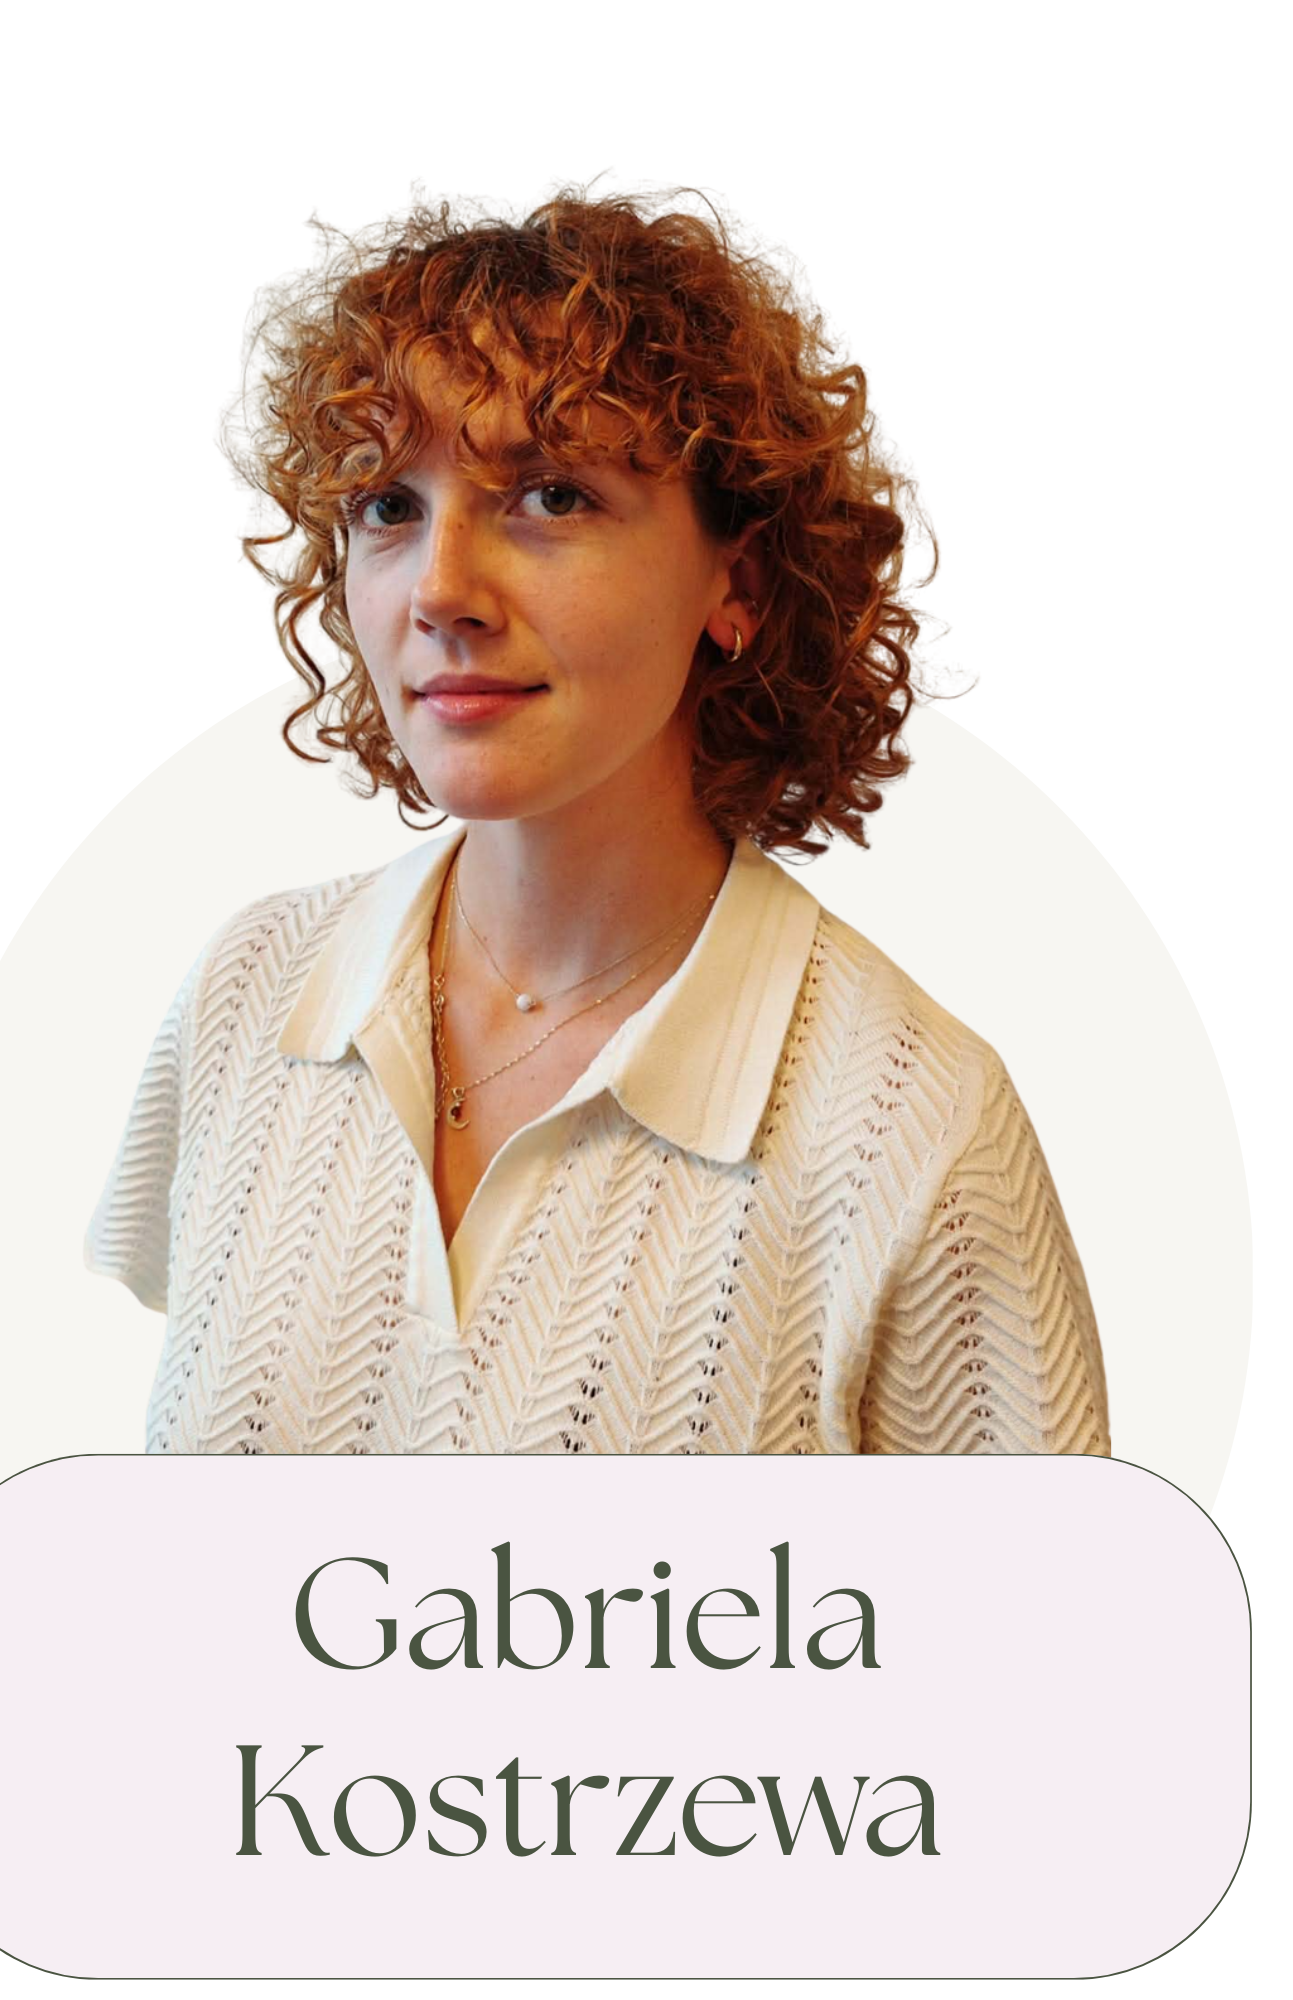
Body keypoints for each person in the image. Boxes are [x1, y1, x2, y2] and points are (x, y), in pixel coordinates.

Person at [85, 200, 1110, 1457]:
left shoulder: (917, 1128)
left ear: (737, 578)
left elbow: (1042, 1585)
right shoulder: (250, 988)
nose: (441, 590)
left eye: (551, 494)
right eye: (389, 505)